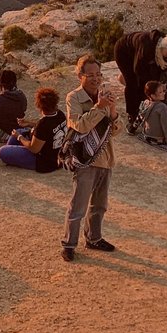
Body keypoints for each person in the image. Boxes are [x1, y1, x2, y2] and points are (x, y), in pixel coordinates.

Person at [60, 55, 118, 261]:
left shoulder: (104, 95)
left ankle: (94, 238)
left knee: (100, 204)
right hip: (84, 158)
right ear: (80, 76)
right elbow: (80, 125)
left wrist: (111, 111)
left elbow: (115, 130)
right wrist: (99, 107)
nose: (95, 79)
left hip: (105, 157)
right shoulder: (73, 98)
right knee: (79, 204)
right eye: (90, 75)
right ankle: (68, 244)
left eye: (98, 74)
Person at [114, 29, 167, 133]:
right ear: (161, 49)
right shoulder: (146, 50)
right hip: (124, 51)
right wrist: (151, 98)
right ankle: (132, 115)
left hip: (147, 55)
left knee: (159, 80)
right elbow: (141, 75)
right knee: (133, 82)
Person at [0, 87, 66, 171]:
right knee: (19, 131)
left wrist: (19, 137)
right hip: (55, 155)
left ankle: (5, 157)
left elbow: (34, 149)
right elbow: (49, 130)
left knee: (2, 151)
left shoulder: (43, 124)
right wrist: (29, 123)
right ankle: (8, 156)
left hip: (43, 162)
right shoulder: (60, 114)